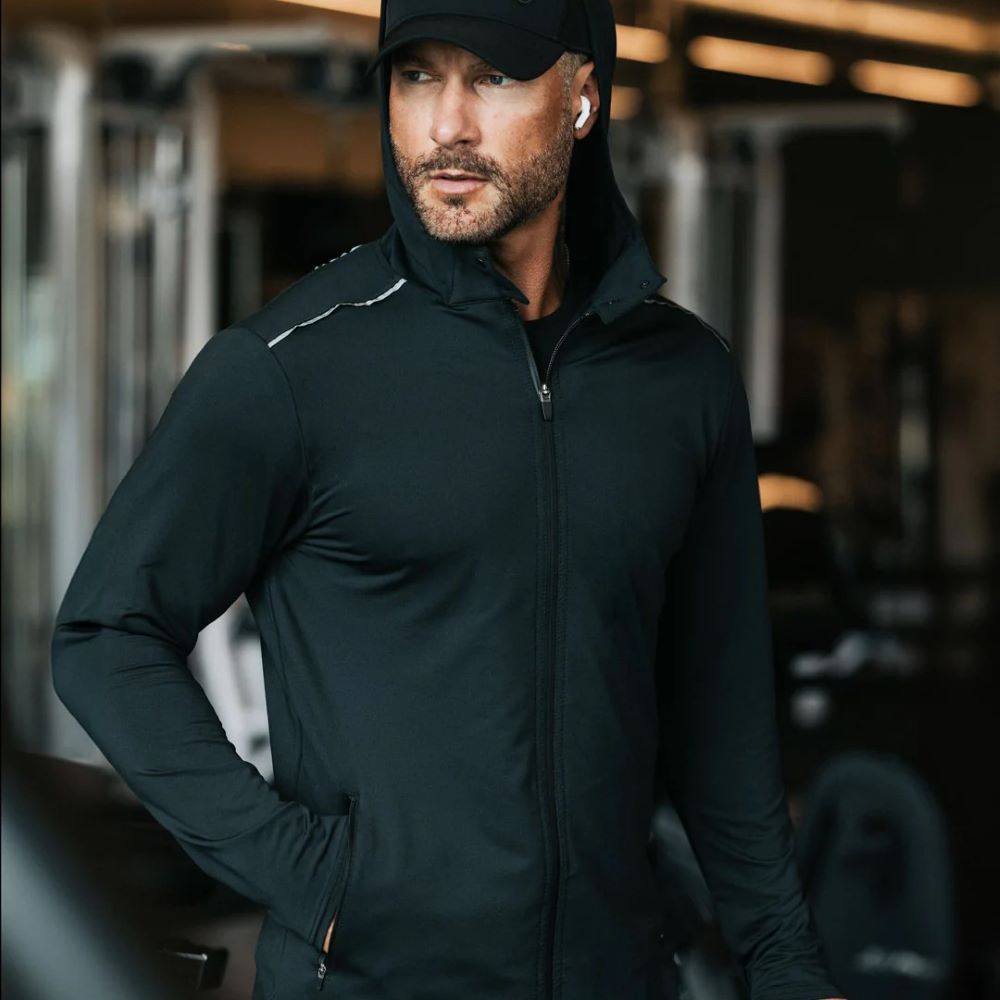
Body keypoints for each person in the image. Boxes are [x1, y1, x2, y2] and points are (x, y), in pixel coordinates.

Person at [50, 1, 846, 998]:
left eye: (494, 77)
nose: (447, 124)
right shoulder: (292, 369)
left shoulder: (683, 380)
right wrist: (317, 880)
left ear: (584, 97)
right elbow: (106, 633)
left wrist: (786, 963)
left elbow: (719, 713)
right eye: (417, 75)